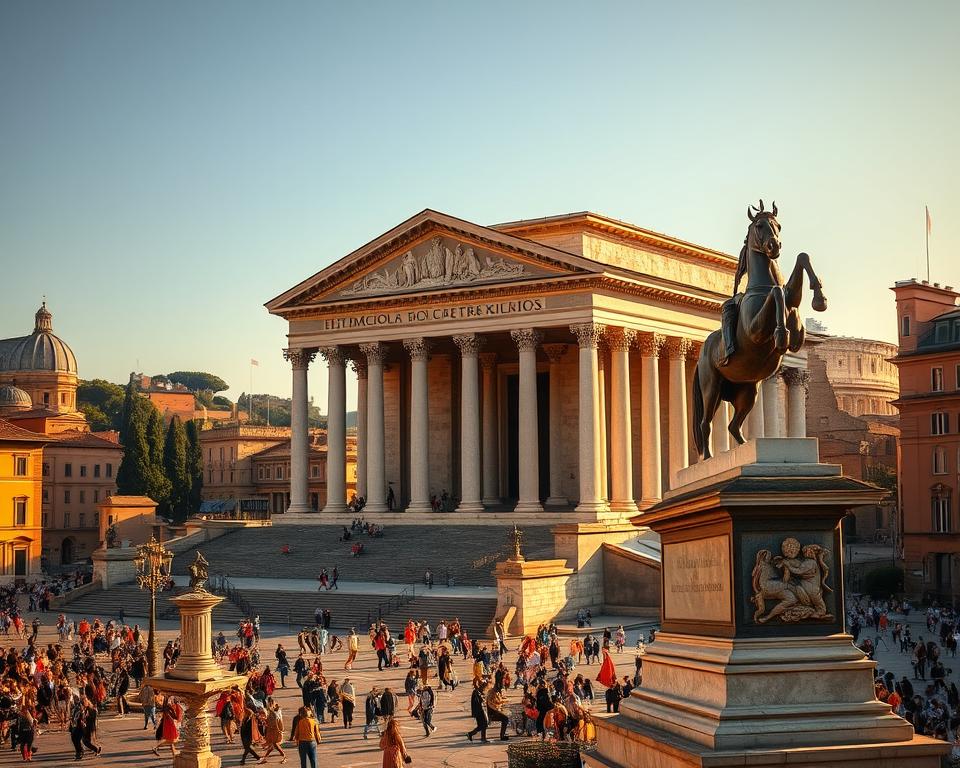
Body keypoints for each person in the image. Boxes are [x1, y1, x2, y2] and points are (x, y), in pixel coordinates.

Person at [258, 698, 285, 764]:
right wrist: (265, 720)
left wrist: (267, 722)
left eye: (270, 703)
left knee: (274, 744)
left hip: (275, 731)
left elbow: (275, 722)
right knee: (272, 745)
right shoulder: (273, 712)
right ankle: (266, 757)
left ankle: (283, 755)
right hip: (273, 731)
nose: (269, 705)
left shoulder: (275, 713)